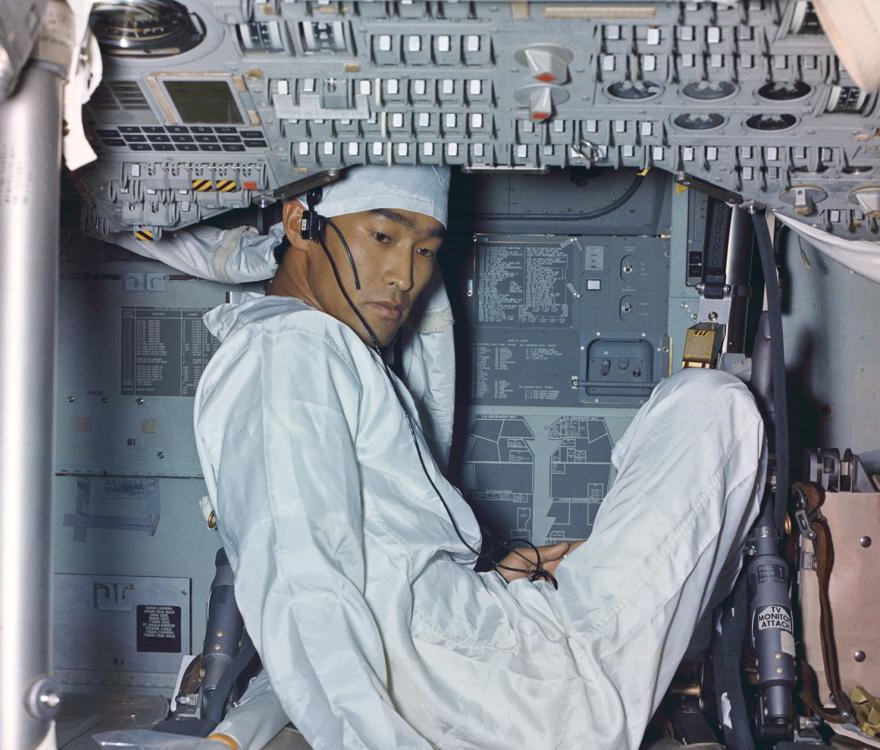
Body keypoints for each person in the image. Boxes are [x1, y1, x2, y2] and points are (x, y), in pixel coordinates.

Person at [192, 166, 766, 749]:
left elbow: (370, 562)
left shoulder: (303, 344)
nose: (404, 276)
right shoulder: (290, 348)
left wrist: (485, 577)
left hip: (469, 665)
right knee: (712, 405)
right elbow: (299, 582)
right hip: (508, 691)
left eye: (424, 250)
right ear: (300, 223)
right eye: (383, 237)